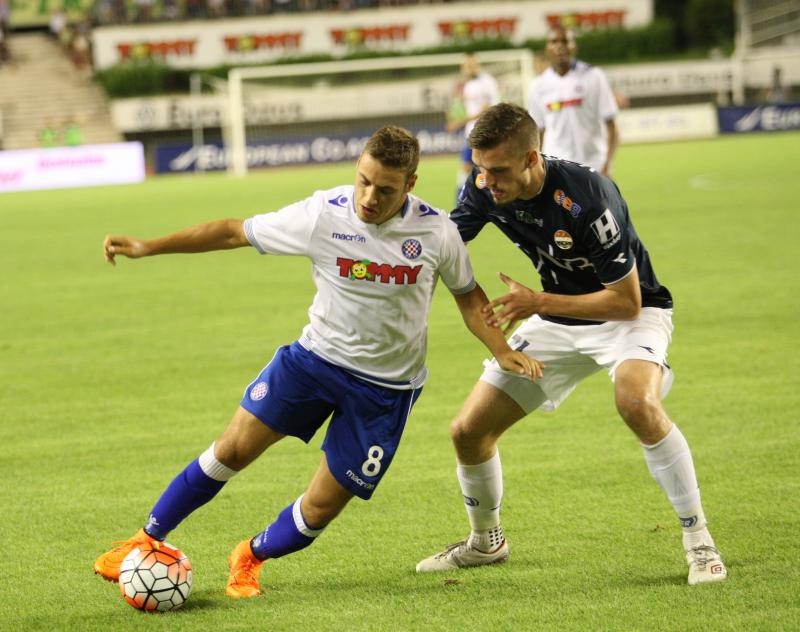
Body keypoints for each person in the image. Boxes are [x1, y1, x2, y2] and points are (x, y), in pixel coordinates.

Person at [93, 125, 542, 598]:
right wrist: (148, 246)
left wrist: (501, 350)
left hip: (385, 392)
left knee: (321, 509)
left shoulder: (437, 232)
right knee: (231, 451)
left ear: (410, 184)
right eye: (363, 180)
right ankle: (146, 538)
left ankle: (249, 556)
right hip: (313, 362)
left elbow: (468, 296)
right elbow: (231, 233)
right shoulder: (322, 214)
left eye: (385, 189)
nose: (369, 197)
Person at [416, 103, 727, 586]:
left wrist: (537, 299)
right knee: (467, 431)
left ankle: (699, 539)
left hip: (630, 313)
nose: (487, 181)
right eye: (480, 169)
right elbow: (444, 243)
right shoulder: (483, 189)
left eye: (498, 170)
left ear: (532, 159)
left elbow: (626, 301)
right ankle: (486, 543)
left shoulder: (588, 198)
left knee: (636, 402)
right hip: (554, 316)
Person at [527, 25, 619, 178]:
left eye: (565, 41)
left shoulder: (594, 76)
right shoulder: (538, 85)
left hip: (593, 164)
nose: (560, 46)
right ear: (547, 49)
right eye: (554, 42)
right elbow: (537, 133)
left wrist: (607, 163)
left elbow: (612, 125)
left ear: (574, 46)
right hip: (556, 167)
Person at [446, 53, 500, 202]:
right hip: (470, 133)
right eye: (465, 66)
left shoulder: (487, 82)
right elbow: (465, 108)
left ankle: (468, 201)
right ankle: (462, 201)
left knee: (486, 168)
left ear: (477, 65)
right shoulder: (468, 85)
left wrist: (460, 121)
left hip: (485, 133)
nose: (467, 68)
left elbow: (490, 108)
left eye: (470, 65)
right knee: (466, 168)